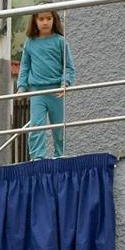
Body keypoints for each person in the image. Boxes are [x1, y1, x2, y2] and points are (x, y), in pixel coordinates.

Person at [18, 10, 75, 161]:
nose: (45, 22)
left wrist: (65, 83)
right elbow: (24, 67)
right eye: (41, 19)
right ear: (35, 21)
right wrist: (21, 87)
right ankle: (37, 157)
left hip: (56, 91)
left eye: (48, 18)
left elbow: (68, 67)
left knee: (59, 128)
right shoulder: (30, 43)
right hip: (37, 91)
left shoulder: (60, 41)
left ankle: (60, 156)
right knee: (36, 126)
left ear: (54, 20)